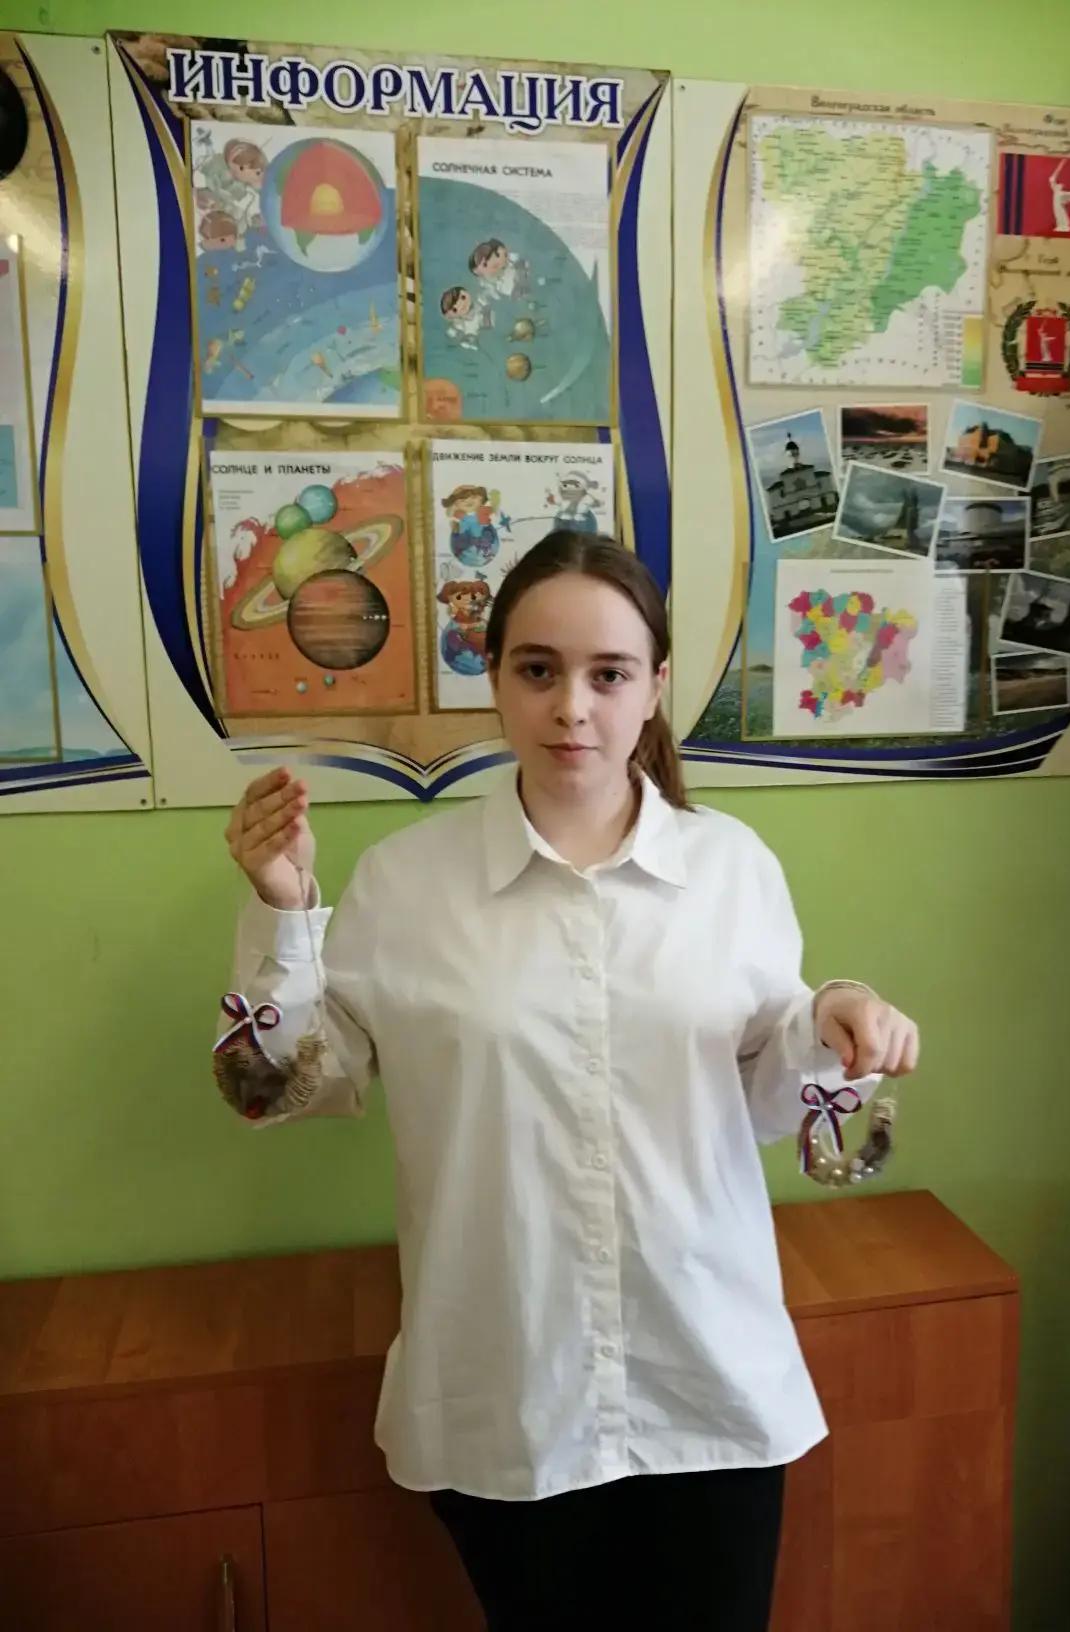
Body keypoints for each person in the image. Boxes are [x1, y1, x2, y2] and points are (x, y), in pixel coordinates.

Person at [220, 531, 919, 1630]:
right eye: (539, 670)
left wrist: (829, 1025)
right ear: (495, 680)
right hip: (510, 1395)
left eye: (610, 674)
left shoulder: (731, 869)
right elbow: (279, 1089)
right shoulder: (407, 886)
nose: (573, 708)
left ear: (655, 689)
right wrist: (281, 909)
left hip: (707, 1383)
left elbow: (762, 1104)